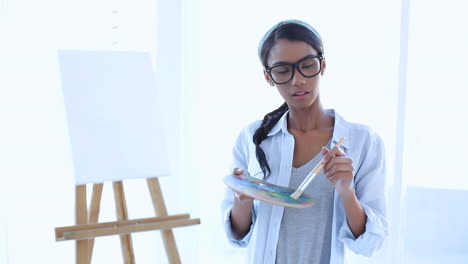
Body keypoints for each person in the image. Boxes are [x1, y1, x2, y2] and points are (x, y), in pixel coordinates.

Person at [221, 20, 388, 264]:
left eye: (307, 66)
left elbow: (371, 243)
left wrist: (346, 191)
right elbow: (238, 235)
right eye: (282, 70)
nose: (297, 80)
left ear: (323, 65)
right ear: (268, 77)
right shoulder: (252, 137)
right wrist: (242, 200)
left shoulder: (364, 141)